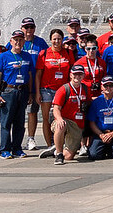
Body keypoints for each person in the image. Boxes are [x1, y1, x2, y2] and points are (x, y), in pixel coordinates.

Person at [35, 28, 76, 157]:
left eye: (59, 39)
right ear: (50, 40)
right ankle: (49, 145)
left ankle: (59, 144)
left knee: (62, 119)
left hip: (63, 90)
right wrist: (37, 93)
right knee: (47, 119)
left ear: (62, 40)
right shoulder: (44, 53)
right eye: (54, 39)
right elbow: (38, 75)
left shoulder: (68, 53)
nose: (56, 41)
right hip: (47, 89)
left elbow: (72, 72)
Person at [0, 29, 36, 158]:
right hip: (8, 91)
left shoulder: (27, 56)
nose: (18, 42)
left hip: (22, 91)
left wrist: (30, 93)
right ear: (11, 41)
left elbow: (29, 75)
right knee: (6, 122)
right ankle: (4, 150)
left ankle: (17, 148)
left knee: (19, 122)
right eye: (16, 40)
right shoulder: (4, 56)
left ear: (24, 41)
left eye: (20, 39)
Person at [49, 65, 90, 165]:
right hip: (65, 120)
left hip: (77, 124)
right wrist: (59, 119)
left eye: (80, 74)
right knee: (60, 126)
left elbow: (89, 103)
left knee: (68, 156)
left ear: (83, 75)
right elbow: (56, 108)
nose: (77, 77)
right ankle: (58, 154)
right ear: (71, 75)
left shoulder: (85, 89)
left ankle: (56, 148)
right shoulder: (63, 89)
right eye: (75, 74)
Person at [86, 76, 113, 160]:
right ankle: (106, 149)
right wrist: (101, 135)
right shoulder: (96, 102)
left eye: (111, 85)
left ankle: (111, 149)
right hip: (100, 133)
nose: (108, 88)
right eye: (106, 85)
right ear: (101, 87)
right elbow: (91, 122)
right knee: (93, 155)